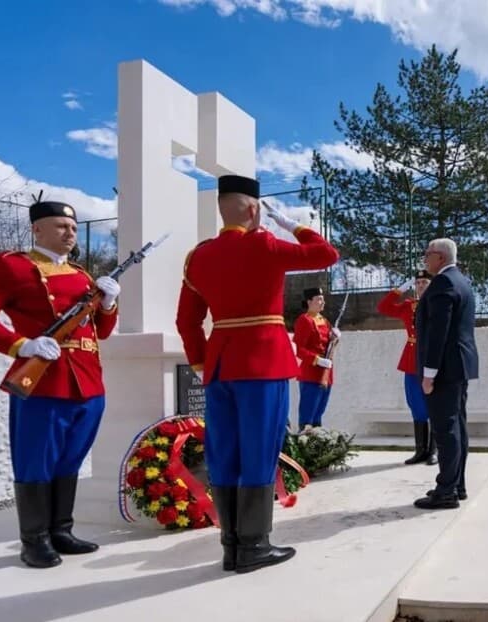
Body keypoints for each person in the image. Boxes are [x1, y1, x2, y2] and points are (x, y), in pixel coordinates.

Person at [176, 175, 338, 573]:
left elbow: (187, 321)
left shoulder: (198, 257)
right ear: (253, 208)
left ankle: (231, 547)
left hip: (219, 366)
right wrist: (292, 225)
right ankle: (254, 548)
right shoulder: (265, 244)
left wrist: (200, 362)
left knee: (225, 454)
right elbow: (326, 254)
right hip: (262, 364)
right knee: (259, 453)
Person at [0, 198, 121, 568]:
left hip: (88, 383)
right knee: (36, 461)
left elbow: (101, 332)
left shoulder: (82, 275)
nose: (70, 233)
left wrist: (108, 304)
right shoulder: (11, 266)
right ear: (37, 229)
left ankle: (60, 530)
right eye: (61, 226)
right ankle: (34, 540)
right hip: (44, 382)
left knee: (70, 460)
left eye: (74, 228)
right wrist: (21, 345)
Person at [413, 239, 479, 509]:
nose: (424, 260)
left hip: (444, 369)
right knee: (457, 427)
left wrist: (429, 374)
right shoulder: (461, 280)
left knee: (445, 429)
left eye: (427, 255)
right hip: (459, 366)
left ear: (439, 257)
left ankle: (446, 491)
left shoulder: (442, 283)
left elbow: (438, 332)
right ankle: (457, 484)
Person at [377, 269, 437, 465]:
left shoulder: (438, 303)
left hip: (431, 358)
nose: (421, 285)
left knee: (435, 405)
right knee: (417, 406)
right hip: (412, 360)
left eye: (424, 282)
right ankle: (420, 450)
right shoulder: (408, 306)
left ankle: (434, 451)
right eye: (418, 283)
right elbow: (383, 306)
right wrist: (400, 289)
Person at [293, 287, 340, 428]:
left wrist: (336, 337)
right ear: (309, 302)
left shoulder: (324, 320)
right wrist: (317, 360)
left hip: (326, 373)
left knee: (319, 411)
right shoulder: (304, 320)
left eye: (323, 299)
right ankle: (305, 440)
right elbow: (298, 348)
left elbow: (330, 343)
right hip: (311, 372)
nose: (322, 302)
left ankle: (317, 444)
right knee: (308, 412)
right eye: (319, 299)